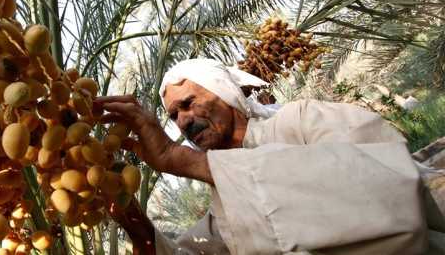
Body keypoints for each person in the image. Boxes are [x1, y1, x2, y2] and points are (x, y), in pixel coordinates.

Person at [95, 58, 444, 255]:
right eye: (173, 116)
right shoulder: (221, 207)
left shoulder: (302, 120)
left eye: (188, 103)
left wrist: (180, 158)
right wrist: (133, 220)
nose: (183, 120)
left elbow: (385, 183)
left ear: (226, 94)